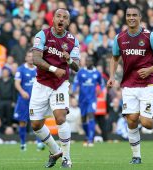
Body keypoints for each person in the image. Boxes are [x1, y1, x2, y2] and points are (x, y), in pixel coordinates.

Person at [107, 5, 153, 164]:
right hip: (128, 84)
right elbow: (114, 58)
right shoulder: (119, 38)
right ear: (126, 17)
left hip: (148, 84)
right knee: (132, 119)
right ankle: (136, 156)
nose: (131, 17)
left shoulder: (150, 36)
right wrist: (112, 76)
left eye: (135, 15)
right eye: (129, 15)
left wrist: (150, 69)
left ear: (140, 17)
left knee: (147, 123)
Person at [29, 8, 80, 168]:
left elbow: (76, 67)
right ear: (53, 19)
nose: (61, 19)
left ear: (68, 22)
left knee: (60, 117)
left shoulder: (73, 41)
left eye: (65, 17)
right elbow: (36, 59)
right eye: (59, 16)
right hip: (41, 83)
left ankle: (67, 158)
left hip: (60, 84)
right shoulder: (42, 35)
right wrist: (53, 69)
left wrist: (69, 60)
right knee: (36, 125)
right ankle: (56, 150)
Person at [14, 50, 44, 151]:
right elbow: (17, 83)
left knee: (37, 122)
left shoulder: (39, 69)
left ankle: (39, 143)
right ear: (26, 58)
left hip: (36, 100)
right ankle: (23, 144)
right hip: (24, 100)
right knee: (22, 122)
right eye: (29, 56)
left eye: (32, 56)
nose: (30, 58)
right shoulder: (21, 69)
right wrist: (22, 92)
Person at [73, 56, 104, 146]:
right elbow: (75, 83)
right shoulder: (81, 72)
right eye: (86, 61)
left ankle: (91, 139)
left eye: (89, 61)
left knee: (91, 116)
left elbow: (101, 84)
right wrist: (74, 90)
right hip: (82, 99)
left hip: (92, 99)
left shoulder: (97, 73)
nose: (87, 62)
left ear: (92, 62)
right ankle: (87, 136)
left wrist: (99, 90)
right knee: (83, 119)